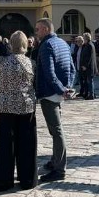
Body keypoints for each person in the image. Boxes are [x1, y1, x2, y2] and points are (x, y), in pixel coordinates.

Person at [0, 31, 38, 192]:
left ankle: (3, 179)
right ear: (25, 45)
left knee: (5, 145)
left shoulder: (3, 63)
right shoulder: (31, 63)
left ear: (10, 44)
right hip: (26, 106)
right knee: (27, 144)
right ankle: (27, 179)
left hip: (6, 107)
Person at [34, 19, 74, 183]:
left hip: (50, 93)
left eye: (37, 29)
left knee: (56, 131)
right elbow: (72, 68)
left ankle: (59, 169)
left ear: (44, 29)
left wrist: (62, 90)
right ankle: (55, 161)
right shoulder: (62, 43)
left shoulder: (46, 45)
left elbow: (49, 74)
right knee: (55, 130)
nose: (36, 32)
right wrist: (68, 87)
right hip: (59, 91)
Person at [76, 33, 96, 100]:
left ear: (86, 38)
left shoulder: (90, 45)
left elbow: (89, 57)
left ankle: (92, 95)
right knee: (88, 81)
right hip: (87, 67)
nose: (83, 39)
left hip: (89, 67)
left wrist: (85, 66)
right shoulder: (87, 45)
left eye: (83, 38)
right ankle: (91, 93)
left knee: (90, 81)